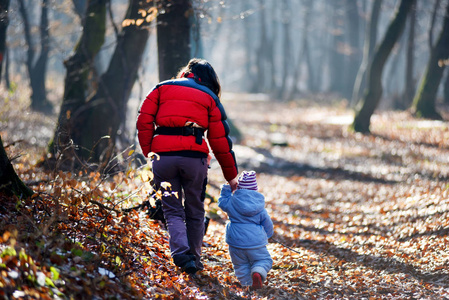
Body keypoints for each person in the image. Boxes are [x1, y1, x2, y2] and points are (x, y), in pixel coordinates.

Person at [136, 58, 239, 275]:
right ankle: (194, 258)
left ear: (186, 73)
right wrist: (232, 176)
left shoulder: (161, 88)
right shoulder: (209, 97)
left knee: (172, 208)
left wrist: (149, 153)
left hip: (163, 158)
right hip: (195, 160)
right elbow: (220, 141)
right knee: (195, 210)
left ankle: (181, 254)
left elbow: (144, 120)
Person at [218, 170, 273, 289]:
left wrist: (227, 188)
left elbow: (222, 202)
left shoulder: (231, 202)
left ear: (238, 188)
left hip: (235, 241)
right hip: (255, 242)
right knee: (264, 260)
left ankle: (247, 286)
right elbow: (267, 224)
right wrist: (267, 235)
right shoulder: (259, 207)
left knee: (240, 265)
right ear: (255, 189)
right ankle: (257, 272)